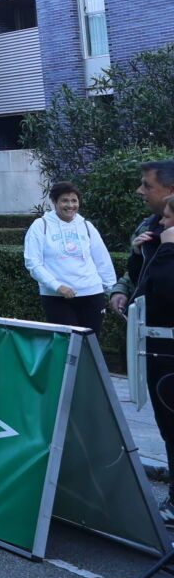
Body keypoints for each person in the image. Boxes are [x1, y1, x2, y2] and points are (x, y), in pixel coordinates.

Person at [109, 160, 174, 522]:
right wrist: (123, 288)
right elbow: (140, 276)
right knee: (166, 425)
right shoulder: (151, 229)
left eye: (147, 185)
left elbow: (165, 286)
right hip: (152, 345)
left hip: (168, 345)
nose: (140, 191)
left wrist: (165, 249)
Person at [23, 181, 116, 335]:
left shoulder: (86, 225)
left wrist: (112, 290)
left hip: (92, 294)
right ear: (54, 202)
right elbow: (33, 263)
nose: (70, 205)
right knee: (67, 345)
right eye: (64, 200)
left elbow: (102, 260)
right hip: (57, 298)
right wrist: (57, 286)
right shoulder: (40, 226)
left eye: (74, 201)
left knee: (91, 345)